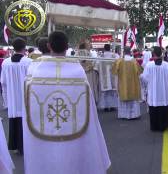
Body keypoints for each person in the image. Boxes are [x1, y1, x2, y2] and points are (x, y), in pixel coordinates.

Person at [23, 31, 111, 174]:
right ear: (67, 47)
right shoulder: (77, 71)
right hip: (74, 131)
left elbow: (29, 108)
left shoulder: (35, 72)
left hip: (43, 131)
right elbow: (90, 111)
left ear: (48, 46)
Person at [1, 37, 32, 155]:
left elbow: (3, 81)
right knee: (25, 121)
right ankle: (24, 146)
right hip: (25, 96)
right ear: (24, 48)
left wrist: (6, 98)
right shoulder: (29, 62)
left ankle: (15, 145)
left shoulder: (6, 62)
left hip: (13, 97)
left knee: (14, 120)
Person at [141, 46, 168, 131]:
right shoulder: (166, 65)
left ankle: (155, 127)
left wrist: (148, 85)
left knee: (154, 107)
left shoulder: (149, 65)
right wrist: (166, 84)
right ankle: (165, 125)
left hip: (153, 91)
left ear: (153, 54)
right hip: (163, 91)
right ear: (161, 54)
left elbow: (145, 78)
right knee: (164, 107)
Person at [112, 47, 142, 119]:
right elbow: (139, 72)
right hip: (133, 85)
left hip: (123, 85)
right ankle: (134, 115)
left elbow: (114, 72)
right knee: (133, 101)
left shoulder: (119, 61)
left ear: (124, 52)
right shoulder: (134, 62)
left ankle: (124, 115)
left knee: (124, 99)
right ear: (130, 52)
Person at [98, 44, 119, 111]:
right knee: (112, 92)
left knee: (105, 93)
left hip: (104, 78)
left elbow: (97, 65)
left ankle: (106, 107)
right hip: (113, 76)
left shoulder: (101, 56)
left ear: (104, 49)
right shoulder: (115, 56)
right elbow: (119, 64)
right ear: (110, 48)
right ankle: (113, 106)